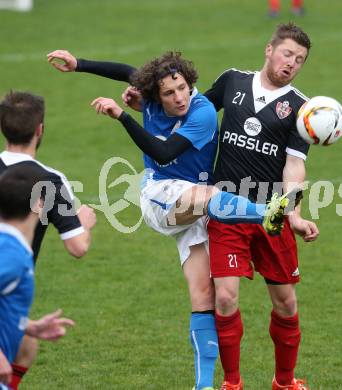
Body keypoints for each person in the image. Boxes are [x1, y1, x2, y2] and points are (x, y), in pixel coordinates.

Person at [46, 50, 290, 390]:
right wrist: (81, 67)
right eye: (169, 93)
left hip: (194, 207)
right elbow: (131, 84)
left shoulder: (202, 111)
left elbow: (165, 145)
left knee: (204, 294)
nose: (180, 97)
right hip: (160, 194)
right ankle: (266, 214)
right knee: (205, 198)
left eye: (183, 88)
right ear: (155, 94)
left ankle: (203, 385)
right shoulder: (147, 96)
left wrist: (124, 113)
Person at [197, 23, 319, 390]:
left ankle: (284, 382)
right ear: (269, 50)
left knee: (286, 304)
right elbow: (194, 112)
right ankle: (232, 383)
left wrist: (293, 213)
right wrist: (148, 106)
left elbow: (294, 167)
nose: (291, 64)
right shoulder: (232, 81)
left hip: (271, 216)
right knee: (225, 298)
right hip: (227, 211)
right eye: (286, 54)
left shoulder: (301, 109)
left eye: (299, 60)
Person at [0, 91, 97, 389]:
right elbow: (78, 246)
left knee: (27, 340)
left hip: (12, 287)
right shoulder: (48, 180)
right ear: (40, 129)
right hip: (11, 275)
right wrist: (84, 222)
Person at [0, 164, 74, 390]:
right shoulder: (11, 254)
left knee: (28, 346)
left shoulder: (12, 246)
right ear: (38, 206)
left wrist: (28, 326)